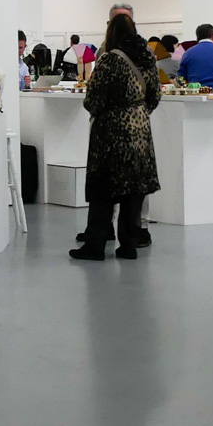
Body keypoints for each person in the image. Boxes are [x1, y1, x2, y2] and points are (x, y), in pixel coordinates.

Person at [71, 14, 161, 261]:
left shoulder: (109, 60)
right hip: (140, 128)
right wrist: (138, 111)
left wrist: (106, 112)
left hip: (111, 131)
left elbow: (93, 100)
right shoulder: (147, 57)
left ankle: (95, 246)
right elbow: (155, 95)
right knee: (134, 190)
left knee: (104, 190)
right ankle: (129, 245)